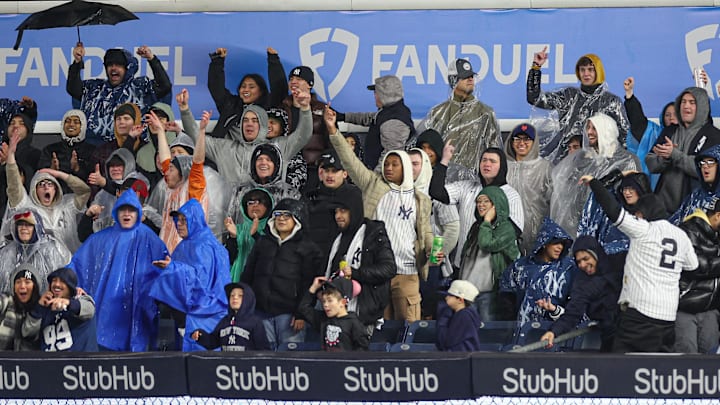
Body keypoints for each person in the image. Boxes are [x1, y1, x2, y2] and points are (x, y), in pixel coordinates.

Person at [326, 107, 433, 322]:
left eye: (395, 164)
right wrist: (333, 131)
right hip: (375, 271)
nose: (390, 168)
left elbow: (425, 233)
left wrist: (433, 252)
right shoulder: (373, 185)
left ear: (405, 167)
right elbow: (350, 161)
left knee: (408, 330)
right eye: (387, 164)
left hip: (407, 272)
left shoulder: (421, 199)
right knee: (378, 330)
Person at [580, 174, 698, 353]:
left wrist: (594, 184)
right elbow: (692, 266)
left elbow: (613, 211)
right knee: (655, 372)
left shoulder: (644, 229)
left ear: (643, 213)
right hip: (667, 316)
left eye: (637, 214)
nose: (636, 216)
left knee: (621, 368)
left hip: (640, 315)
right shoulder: (680, 235)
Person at [68, 190, 168, 351]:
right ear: (116, 212)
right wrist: (65, 283)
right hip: (107, 312)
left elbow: (164, 271)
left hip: (137, 309)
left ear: (138, 212)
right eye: (123, 209)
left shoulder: (150, 239)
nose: (127, 214)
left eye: (131, 210)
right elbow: (79, 265)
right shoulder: (100, 239)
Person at [180, 88, 313, 186]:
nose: (249, 124)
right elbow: (197, 137)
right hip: (232, 216)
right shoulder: (224, 148)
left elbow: (303, 135)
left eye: (255, 120)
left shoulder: (277, 147)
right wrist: (185, 110)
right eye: (246, 120)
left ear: (263, 125)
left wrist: (305, 109)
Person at [149, 198, 231, 352]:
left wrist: (173, 268)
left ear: (195, 220)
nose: (178, 224)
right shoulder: (185, 245)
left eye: (184, 220)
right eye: (177, 220)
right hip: (188, 317)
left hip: (205, 318)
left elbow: (202, 284)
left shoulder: (204, 246)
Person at [241, 198, 323, 348]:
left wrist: (301, 314)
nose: (281, 219)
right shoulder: (263, 243)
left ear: (298, 219)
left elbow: (309, 283)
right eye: (278, 214)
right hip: (260, 313)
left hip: (290, 316)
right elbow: (248, 274)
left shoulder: (309, 248)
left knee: (290, 362)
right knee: (264, 358)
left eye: (287, 215)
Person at [429, 145, 524, 271]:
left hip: (494, 270)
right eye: (484, 160)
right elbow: (436, 192)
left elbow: (514, 231)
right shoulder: (467, 187)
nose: (487, 164)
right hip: (464, 264)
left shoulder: (510, 194)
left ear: (502, 166)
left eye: (492, 161)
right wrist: (445, 160)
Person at [527, 49, 629, 163]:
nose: (586, 74)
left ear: (598, 71)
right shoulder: (569, 96)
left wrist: (619, 164)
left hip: (600, 164)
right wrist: (536, 67)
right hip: (567, 162)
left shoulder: (612, 102)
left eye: (590, 70)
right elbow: (535, 99)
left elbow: (624, 136)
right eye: (582, 70)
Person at [550, 113, 639, 236]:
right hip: (583, 225)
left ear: (606, 131)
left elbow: (633, 196)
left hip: (613, 227)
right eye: (588, 128)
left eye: (594, 128)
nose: (589, 132)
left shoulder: (627, 160)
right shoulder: (581, 158)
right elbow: (572, 193)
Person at [4, 128, 90, 253]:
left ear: (56, 188)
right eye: (41, 184)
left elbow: (84, 191)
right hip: (37, 266)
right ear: (35, 189)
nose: (46, 187)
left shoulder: (67, 205)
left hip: (67, 266)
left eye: (50, 184)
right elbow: (14, 186)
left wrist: (59, 174)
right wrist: (11, 156)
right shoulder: (27, 208)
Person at [325, 184, 396, 333]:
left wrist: (356, 273)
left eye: (343, 211)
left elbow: (389, 268)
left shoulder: (373, 233)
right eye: (336, 211)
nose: (338, 216)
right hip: (334, 316)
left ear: (354, 210)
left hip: (362, 315)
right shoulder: (336, 236)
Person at [66, 44, 172, 144]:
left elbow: (164, 86)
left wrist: (152, 59)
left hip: (133, 147)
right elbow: (74, 90)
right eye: (110, 65)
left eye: (118, 65)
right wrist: (77, 62)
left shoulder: (140, 86)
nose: (113, 68)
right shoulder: (95, 88)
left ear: (127, 68)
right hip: (95, 149)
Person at [539, 235, 623, 352]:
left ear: (596, 255)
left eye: (586, 258)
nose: (582, 265)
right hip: (611, 337)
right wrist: (553, 332)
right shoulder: (581, 282)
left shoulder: (620, 264)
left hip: (639, 328)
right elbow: (573, 312)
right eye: (578, 261)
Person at [646, 87, 720, 215]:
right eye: (683, 102)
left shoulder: (713, 135)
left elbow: (705, 171)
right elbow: (651, 163)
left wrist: (675, 155)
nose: (686, 106)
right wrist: (664, 158)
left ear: (702, 106)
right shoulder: (670, 130)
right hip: (663, 207)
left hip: (695, 210)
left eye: (692, 102)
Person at [421, 58, 500, 172]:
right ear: (453, 80)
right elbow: (429, 149)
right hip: (443, 176)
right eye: (464, 76)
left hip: (475, 180)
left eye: (471, 76)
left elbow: (494, 150)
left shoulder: (486, 112)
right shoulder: (438, 112)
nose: (470, 79)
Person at [147, 107, 209, 253]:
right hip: (168, 250)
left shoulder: (194, 187)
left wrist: (201, 133)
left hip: (189, 252)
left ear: (182, 171)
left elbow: (198, 161)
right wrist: (161, 132)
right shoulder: (172, 184)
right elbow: (165, 160)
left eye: (171, 170)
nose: (165, 173)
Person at [409, 148, 460, 318]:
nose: (411, 168)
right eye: (407, 164)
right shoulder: (398, 190)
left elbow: (452, 228)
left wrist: (436, 255)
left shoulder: (436, 190)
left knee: (428, 312)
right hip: (405, 262)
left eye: (415, 164)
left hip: (430, 264)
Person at [458, 186, 520, 321]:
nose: (481, 205)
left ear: (496, 204)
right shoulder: (476, 227)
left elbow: (488, 244)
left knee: (486, 330)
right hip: (467, 291)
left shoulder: (506, 228)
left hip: (489, 292)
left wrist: (486, 222)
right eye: (479, 202)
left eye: (486, 201)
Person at [500, 217, 576, 326]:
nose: (560, 247)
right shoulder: (520, 266)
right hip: (523, 328)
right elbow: (507, 293)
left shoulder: (568, 267)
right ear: (545, 242)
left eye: (563, 244)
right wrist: (509, 322)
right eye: (556, 243)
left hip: (555, 329)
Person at [268, 58, 330, 190]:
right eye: (291, 79)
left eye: (299, 79)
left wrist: (325, 165)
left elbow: (332, 141)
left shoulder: (322, 109)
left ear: (309, 84)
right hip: (286, 170)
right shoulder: (280, 109)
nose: (294, 82)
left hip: (313, 169)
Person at [336, 75, 415, 170]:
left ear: (385, 95)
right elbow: (370, 118)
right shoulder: (390, 111)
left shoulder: (394, 122)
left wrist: (375, 179)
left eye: (376, 92)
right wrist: (342, 116)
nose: (374, 96)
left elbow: (390, 157)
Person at [675, 198, 720, 353]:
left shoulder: (717, 234)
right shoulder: (688, 230)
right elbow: (697, 266)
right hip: (686, 307)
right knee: (685, 364)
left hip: (710, 311)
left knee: (711, 365)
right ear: (718, 216)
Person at [504, 123, 552, 254]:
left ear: (534, 142)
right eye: (517, 139)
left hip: (536, 232)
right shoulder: (503, 166)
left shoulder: (545, 167)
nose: (521, 143)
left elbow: (553, 201)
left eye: (526, 139)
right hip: (506, 232)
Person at [623, 77, 678, 189]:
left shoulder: (689, 136)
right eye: (667, 115)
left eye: (675, 114)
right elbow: (638, 121)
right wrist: (629, 95)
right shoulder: (654, 133)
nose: (671, 118)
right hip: (653, 191)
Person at [207, 47, 274, 139]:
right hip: (223, 151)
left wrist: (274, 60)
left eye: (251, 87)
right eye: (243, 86)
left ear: (261, 91)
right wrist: (217, 61)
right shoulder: (231, 105)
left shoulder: (269, 109)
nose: (246, 90)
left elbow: (279, 88)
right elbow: (215, 87)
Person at [0, 209, 71, 295]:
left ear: (37, 228)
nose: (23, 228)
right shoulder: (7, 253)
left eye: (29, 225)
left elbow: (58, 281)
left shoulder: (49, 251)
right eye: (20, 224)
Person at [191, 282, 271, 351]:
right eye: (232, 295)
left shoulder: (255, 322)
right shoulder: (225, 321)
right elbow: (213, 342)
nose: (235, 298)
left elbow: (263, 350)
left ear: (248, 299)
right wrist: (200, 336)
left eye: (240, 295)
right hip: (226, 366)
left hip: (246, 367)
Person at [304, 149, 351, 266]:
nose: (329, 175)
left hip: (343, 265)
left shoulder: (353, 198)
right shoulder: (309, 198)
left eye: (334, 171)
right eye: (326, 171)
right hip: (313, 263)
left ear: (345, 173)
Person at [33, 267, 97, 352]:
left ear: (70, 286)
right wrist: (39, 308)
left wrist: (68, 303)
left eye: (62, 281)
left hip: (80, 363)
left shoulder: (80, 299)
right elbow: (27, 333)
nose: (57, 284)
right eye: (54, 280)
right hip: (50, 363)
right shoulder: (44, 307)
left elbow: (90, 309)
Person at [298, 276, 369, 351]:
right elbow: (303, 309)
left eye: (330, 301)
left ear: (343, 302)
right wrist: (313, 288)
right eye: (324, 301)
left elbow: (362, 350)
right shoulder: (323, 319)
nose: (325, 305)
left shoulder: (354, 323)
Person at [38, 109, 96, 193]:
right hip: (54, 198)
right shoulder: (50, 150)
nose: (71, 124)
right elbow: (38, 178)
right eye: (68, 121)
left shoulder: (92, 150)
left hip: (82, 199)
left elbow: (93, 181)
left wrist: (77, 169)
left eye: (76, 122)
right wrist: (51, 170)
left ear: (83, 126)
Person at [224, 188, 273, 282]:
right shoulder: (237, 229)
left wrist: (255, 234)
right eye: (250, 202)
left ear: (268, 206)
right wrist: (233, 237)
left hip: (260, 282)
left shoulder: (273, 231)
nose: (255, 205)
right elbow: (227, 260)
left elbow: (268, 256)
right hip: (236, 282)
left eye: (260, 201)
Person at [669, 144, 720, 225]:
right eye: (702, 163)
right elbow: (676, 220)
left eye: (710, 162)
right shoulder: (695, 194)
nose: (705, 166)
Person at [135, 102, 178, 189]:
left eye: (160, 119)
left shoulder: (179, 149)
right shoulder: (142, 153)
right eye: (152, 119)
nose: (155, 123)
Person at [0, 266, 41, 351]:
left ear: (35, 287)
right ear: (14, 288)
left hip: (27, 362)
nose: (22, 286)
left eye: (27, 282)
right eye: (18, 282)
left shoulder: (41, 309)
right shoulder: (7, 300)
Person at [436, 280, 482, 351]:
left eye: (450, 296)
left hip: (462, 358)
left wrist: (444, 319)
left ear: (460, 300)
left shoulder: (464, 315)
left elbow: (447, 341)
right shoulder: (457, 313)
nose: (446, 297)